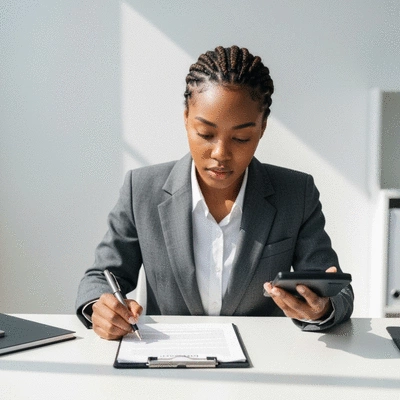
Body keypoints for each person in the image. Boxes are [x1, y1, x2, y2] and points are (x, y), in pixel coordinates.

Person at [76, 45, 354, 340]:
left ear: (262, 128)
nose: (221, 153)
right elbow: (100, 277)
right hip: (169, 364)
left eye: (241, 138)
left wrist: (321, 309)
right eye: (206, 134)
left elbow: (337, 288)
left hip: (263, 367)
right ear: (186, 119)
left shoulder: (296, 194)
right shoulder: (141, 190)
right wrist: (101, 307)